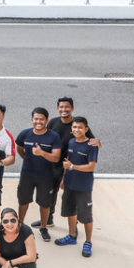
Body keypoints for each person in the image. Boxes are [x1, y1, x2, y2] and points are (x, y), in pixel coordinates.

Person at [38, 97, 101, 229]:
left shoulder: (78, 125)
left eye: (67, 107)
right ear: (57, 109)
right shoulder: (53, 123)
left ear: (72, 108)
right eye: (61, 107)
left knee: (70, 196)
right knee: (50, 192)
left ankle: (74, 224)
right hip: (53, 165)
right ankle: (48, 219)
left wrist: (99, 142)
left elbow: (93, 141)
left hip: (70, 166)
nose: (64, 109)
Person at [14, 108, 62, 241]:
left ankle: (43, 227)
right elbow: (19, 148)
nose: (38, 121)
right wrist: (27, 158)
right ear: (32, 120)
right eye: (36, 119)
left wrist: (42, 153)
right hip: (27, 174)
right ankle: (20, 224)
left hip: (45, 176)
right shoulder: (25, 134)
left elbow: (56, 157)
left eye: (41, 119)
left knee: (44, 204)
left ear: (46, 120)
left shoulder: (53, 136)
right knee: (23, 201)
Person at [55, 117, 99, 258]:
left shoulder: (92, 145)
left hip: (83, 187)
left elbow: (91, 166)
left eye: (80, 127)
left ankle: (88, 242)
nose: (76, 130)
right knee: (70, 212)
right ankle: (72, 236)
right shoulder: (71, 142)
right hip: (69, 184)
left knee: (85, 216)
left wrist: (72, 167)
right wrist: (64, 178)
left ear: (86, 129)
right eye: (74, 127)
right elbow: (68, 162)